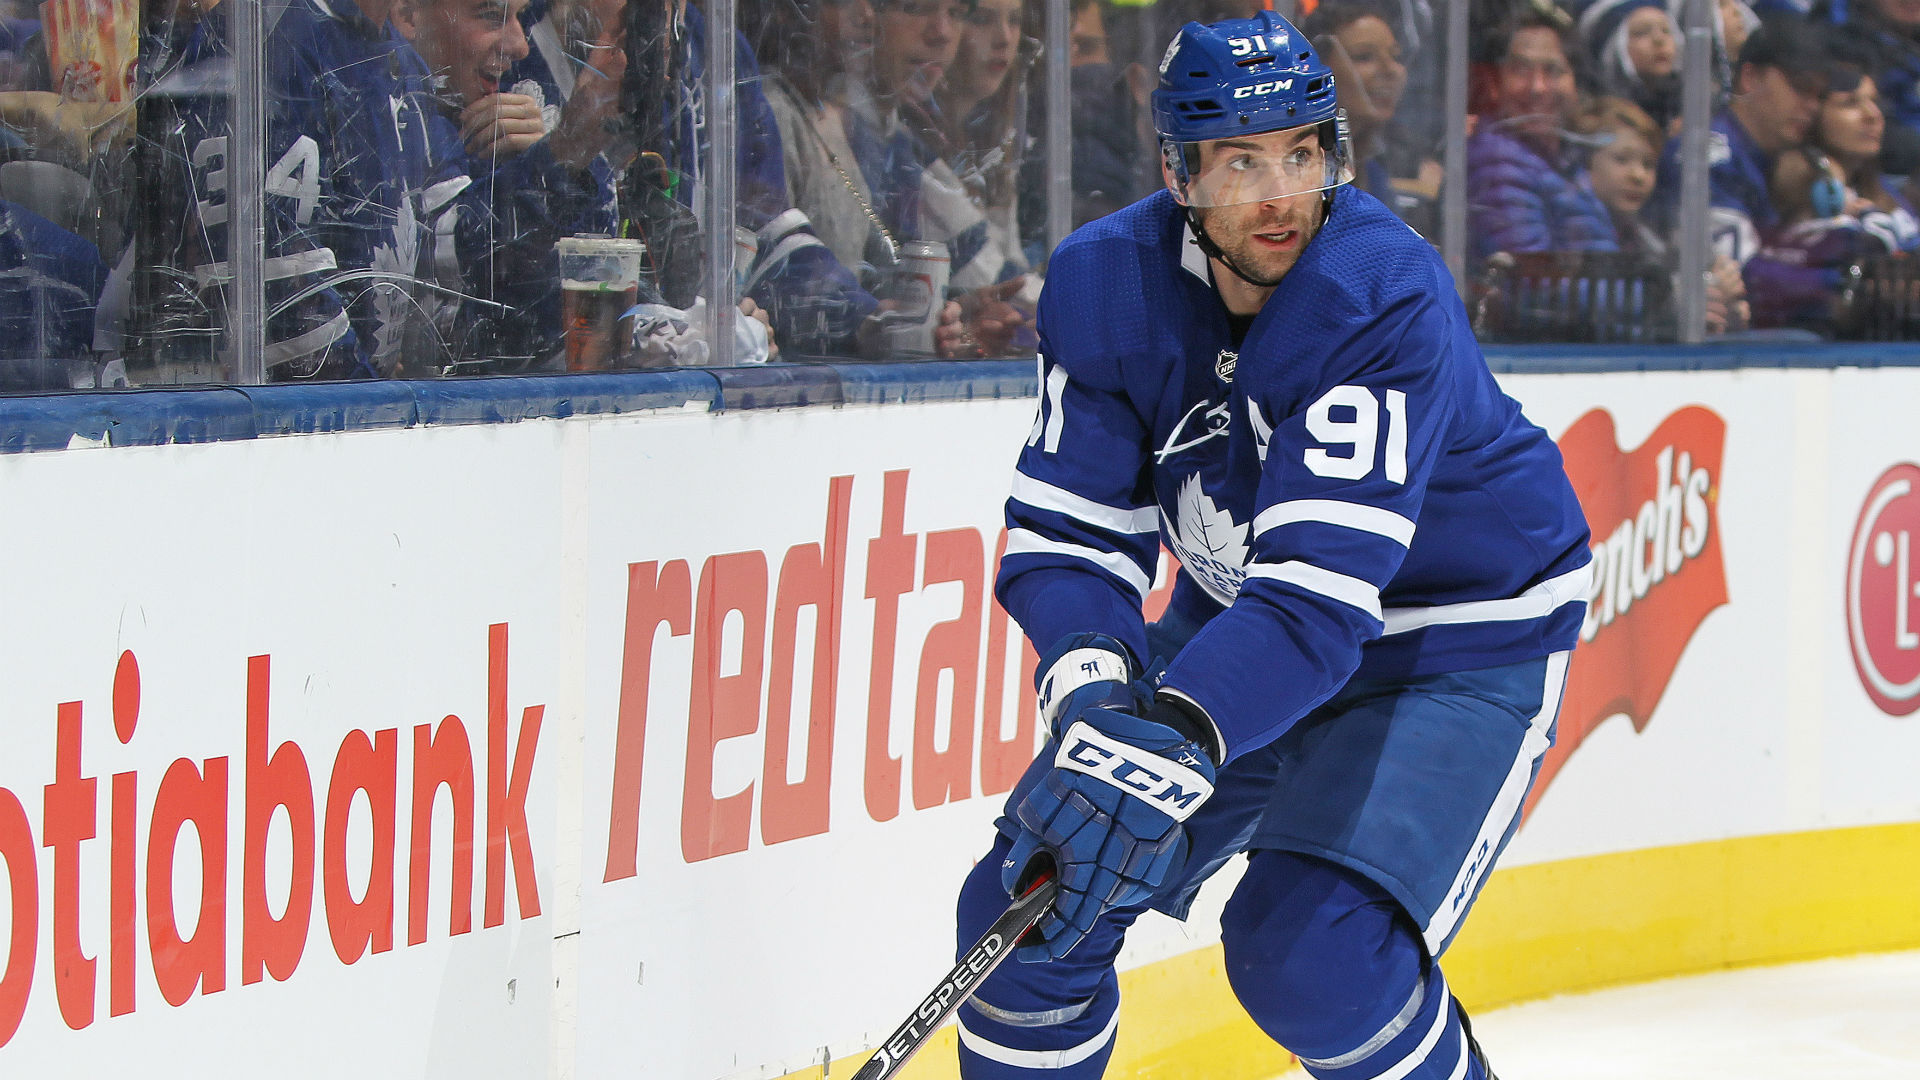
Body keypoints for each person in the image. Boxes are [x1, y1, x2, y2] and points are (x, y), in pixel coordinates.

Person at [947, 11, 1592, 1080]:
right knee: (1027, 911)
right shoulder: (1106, 280)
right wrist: (1098, 705)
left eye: (1301, 152)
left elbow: (1317, 601)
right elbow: (1071, 536)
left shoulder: (1377, 290)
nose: (1279, 191)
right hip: (1247, 618)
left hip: (1453, 635)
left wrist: (1183, 734)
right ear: (1177, 171)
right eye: (1241, 161)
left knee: (1312, 957)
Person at [1654, 13, 1828, 269]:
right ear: (1750, 78)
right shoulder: (1706, 156)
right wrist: (1835, 282)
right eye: (1800, 87)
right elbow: (1740, 272)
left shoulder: (1791, 161)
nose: (1812, 107)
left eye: (1819, 95)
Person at [1572, 95, 1750, 333]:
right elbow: (1593, 302)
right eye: (1622, 160)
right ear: (1586, 163)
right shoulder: (1576, 221)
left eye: (1648, 164)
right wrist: (1697, 293)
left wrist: (1722, 307)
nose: (1638, 175)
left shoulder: (1643, 232)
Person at [1467, 7, 1619, 260]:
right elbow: (1532, 281)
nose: (1537, 87)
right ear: (1496, 83)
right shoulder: (1496, 159)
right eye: (1521, 70)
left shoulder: (1569, 158)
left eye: (1553, 70)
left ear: (1576, 83)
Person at [1303, 0, 1440, 235]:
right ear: (1319, 68)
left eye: (1396, 56)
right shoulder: (1297, 178)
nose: (1391, 69)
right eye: (1364, 56)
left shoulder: (1374, 173)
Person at [1574, 0, 1683, 132]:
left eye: (1666, 30)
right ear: (1615, 50)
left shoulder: (1696, 106)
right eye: (1642, 32)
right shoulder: (1602, 120)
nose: (1659, 39)